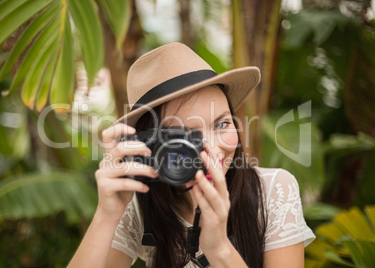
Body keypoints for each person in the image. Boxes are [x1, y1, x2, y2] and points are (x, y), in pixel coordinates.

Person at [68, 42, 315, 268]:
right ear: (151, 145)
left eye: (222, 124)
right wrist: (106, 216)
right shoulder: (140, 204)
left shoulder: (273, 192)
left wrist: (218, 248)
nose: (211, 149)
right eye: (186, 137)